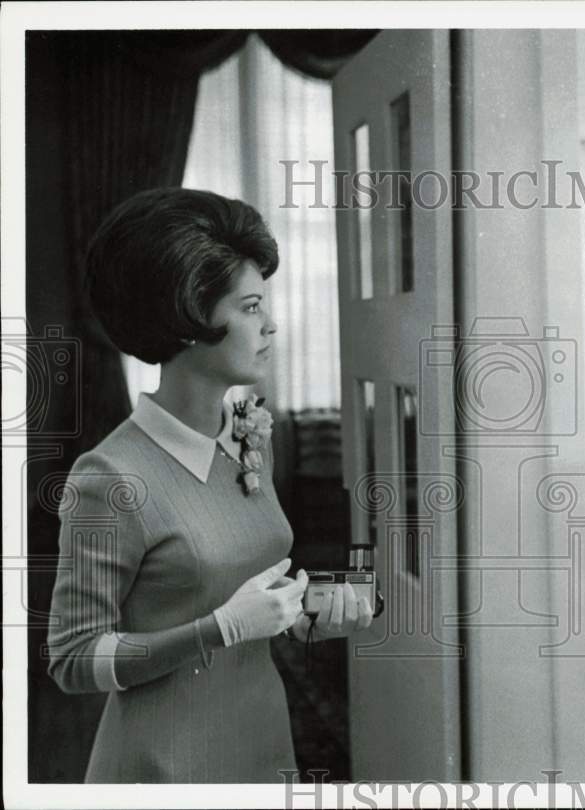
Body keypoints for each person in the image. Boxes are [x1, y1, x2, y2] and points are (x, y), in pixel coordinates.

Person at [46, 188, 373, 783]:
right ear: (190, 320)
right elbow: (73, 659)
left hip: (260, 737)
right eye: (250, 307)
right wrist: (218, 629)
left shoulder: (250, 436)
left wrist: (309, 617)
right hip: (166, 764)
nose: (271, 324)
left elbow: (249, 597)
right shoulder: (110, 478)